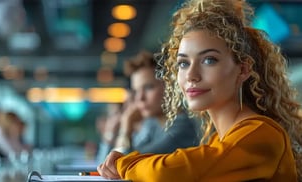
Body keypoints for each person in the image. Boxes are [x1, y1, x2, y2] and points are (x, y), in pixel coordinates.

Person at [97, 0, 302, 181]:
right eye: (183, 63)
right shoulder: (219, 139)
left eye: (209, 60)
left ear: (243, 69)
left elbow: (166, 173)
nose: (191, 75)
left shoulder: (260, 134)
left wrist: (124, 164)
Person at [96, 50, 199, 163]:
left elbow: (125, 164)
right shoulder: (152, 125)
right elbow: (103, 166)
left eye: (148, 87)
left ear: (170, 87)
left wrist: (126, 127)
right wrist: (111, 133)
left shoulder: (181, 128)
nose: (140, 98)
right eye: (136, 91)